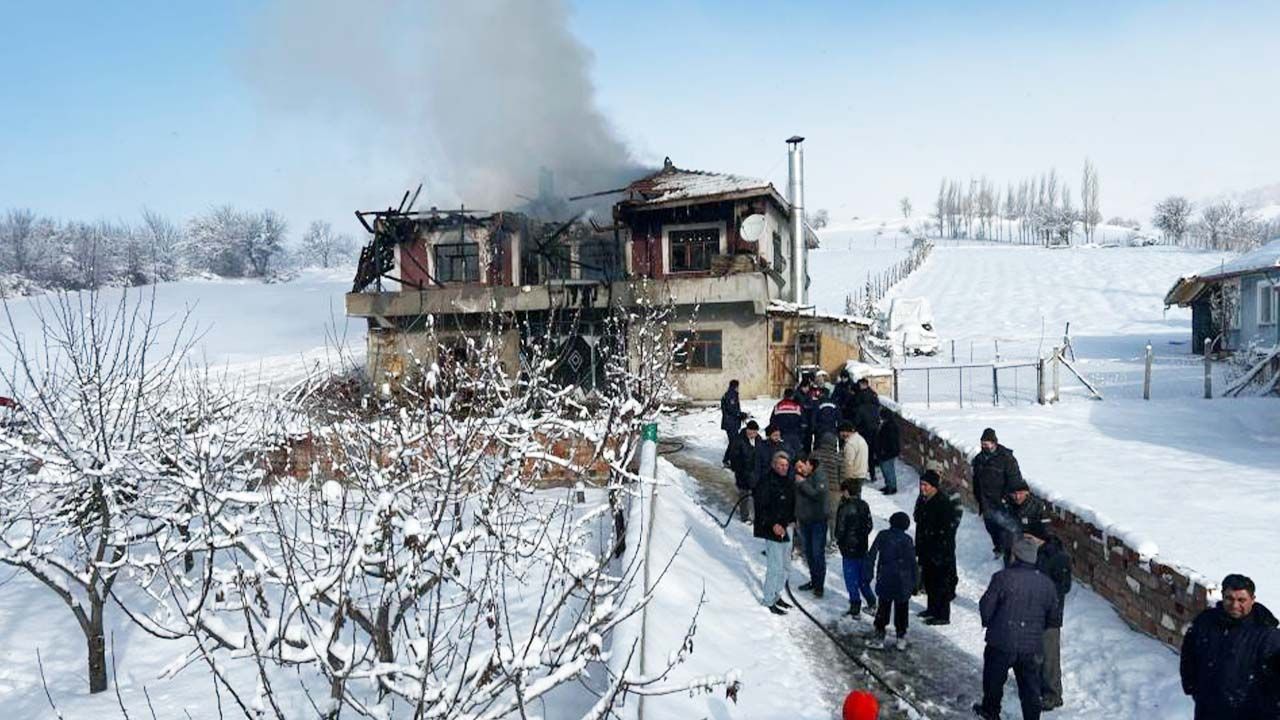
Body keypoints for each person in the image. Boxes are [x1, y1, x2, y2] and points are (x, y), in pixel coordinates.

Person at [974, 538, 1062, 720]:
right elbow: (1053, 617)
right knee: (1030, 687)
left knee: (993, 680)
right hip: (1030, 646)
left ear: (1015, 556)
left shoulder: (1002, 578)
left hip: (1001, 641)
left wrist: (989, 623)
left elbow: (986, 606)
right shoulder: (1046, 584)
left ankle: (991, 711)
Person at [1181, 573, 1280, 719]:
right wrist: (1193, 687)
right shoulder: (1206, 622)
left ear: (1252, 600)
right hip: (1208, 710)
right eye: (1229, 598)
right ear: (1222, 596)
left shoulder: (1268, 635)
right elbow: (1189, 655)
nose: (1235, 605)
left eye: (1241, 600)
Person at [913, 470, 961, 625]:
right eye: (921, 484)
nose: (922, 488)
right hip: (926, 548)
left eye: (925, 485)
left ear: (934, 487)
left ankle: (942, 615)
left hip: (940, 551)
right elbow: (918, 519)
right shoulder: (923, 500)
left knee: (940, 583)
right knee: (929, 581)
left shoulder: (943, 503)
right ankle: (932, 609)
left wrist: (940, 550)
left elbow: (947, 530)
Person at [867, 511, 917, 649]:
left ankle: (879, 634)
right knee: (902, 608)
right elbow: (912, 563)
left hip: (886, 577)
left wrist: (868, 572)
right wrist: (915, 582)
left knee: (883, 606)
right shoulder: (907, 539)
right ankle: (901, 636)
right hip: (903, 580)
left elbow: (872, 554)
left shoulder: (883, 535)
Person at [754, 451, 796, 615]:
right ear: (774, 465)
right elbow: (761, 507)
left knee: (785, 565)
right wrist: (773, 524)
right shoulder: (766, 482)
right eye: (781, 465)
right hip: (772, 528)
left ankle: (777, 594)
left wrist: (793, 519)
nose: (784, 468)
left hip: (787, 527)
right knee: (775, 566)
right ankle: (768, 599)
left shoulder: (788, 481)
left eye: (786, 465)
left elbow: (791, 503)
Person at [971, 428, 1023, 557]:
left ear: (994, 443)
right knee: (991, 528)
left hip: (1002, 503)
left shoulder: (1006, 459)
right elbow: (976, 479)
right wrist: (978, 497)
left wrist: (1008, 499)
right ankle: (998, 549)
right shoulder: (979, 459)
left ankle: (1009, 556)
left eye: (987, 444)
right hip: (986, 502)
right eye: (982, 444)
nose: (984, 447)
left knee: (1006, 531)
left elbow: (1015, 481)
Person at [1036, 533, 1073, 711]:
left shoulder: (1058, 557)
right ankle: (1040, 688)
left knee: (1049, 656)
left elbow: (1064, 586)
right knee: (1036, 653)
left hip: (1050, 615)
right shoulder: (1033, 552)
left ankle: (1052, 695)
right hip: (1036, 612)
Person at [834, 478, 876, 617]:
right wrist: (861, 536)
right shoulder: (864, 505)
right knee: (863, 578)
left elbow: (839, 530)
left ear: (846, 491)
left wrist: (840, 540)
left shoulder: (844, 507)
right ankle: (871, 601)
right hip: (862, 547)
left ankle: (855, 605)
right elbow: (869, 525)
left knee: (851, 579)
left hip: (848, 549)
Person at [793, 454, 829, 598]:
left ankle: (819, 585)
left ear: (808, 463)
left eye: (801, 466)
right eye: (797, 468)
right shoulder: (800, 476)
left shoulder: (820, 475)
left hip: (817, 521)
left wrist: (802, 483)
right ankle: (814, 580)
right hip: (804, 520)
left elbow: (817, 495)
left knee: (817, 553)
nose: (799, 470)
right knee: (808, 553)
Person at [728, 420, 767, 523]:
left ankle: (757, 516)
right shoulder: (739, 440)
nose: (752, 434)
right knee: (744, 495)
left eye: (754, 432)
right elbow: (734, 457)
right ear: (747, 430)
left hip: (755, 473)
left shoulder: (759, 440)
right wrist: (739, 470)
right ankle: (744, 517)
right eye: (750, 431)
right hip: (742, 473)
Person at [812, 430, 844, 537]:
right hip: (833, 491)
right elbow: (842, 475)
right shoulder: (838, 457)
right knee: (833, 516)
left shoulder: (814, 455)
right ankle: (833, 538)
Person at [1003, 481, 1049, 557]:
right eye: (1014, 494)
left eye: (1020, 493)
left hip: (1034, 546)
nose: (1017, 497)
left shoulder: (1037, 507)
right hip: (1015, 546)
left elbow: (1045, 532)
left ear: (1027, 493)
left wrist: (1032, 538)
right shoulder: (1008, 505)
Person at [719, 379, 748, 466]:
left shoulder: (730, 394)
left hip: (731, 422)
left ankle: (728, 460)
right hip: (730, 423)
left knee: (733, 442)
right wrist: (740, 414)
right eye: (738, 386)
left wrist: (740, 414)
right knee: (733, 443)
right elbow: (731, 409)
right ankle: (727, 460)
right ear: (736, 386)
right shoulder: (731, 395)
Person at [769, 389, 805, 456]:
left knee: (783, 456)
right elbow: (803, 423)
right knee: (795, 456)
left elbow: (772, 422)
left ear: (784, 395)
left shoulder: (778, 406)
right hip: (795, 436)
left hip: (781, 436)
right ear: (792, 396)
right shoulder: (797, 407)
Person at [838, 421, 869, 499]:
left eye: (841, 432)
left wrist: (846, 482)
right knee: (857, 499)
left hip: (853, 477)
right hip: (861, 474)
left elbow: (848, 464)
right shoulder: (861, 439)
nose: (840, 434)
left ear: (846, 432)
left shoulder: (850, 444)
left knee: (851, 500)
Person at [875, 410, 901, 494]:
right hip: (887, 451)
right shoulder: (889, 425)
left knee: (888, 470)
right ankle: (889, 485)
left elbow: (890, 441)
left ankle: (891, 487)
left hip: (887, 452)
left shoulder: (889, 426)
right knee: (887, 469)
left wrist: (884, 450)